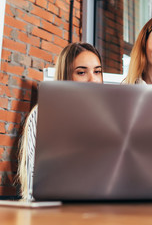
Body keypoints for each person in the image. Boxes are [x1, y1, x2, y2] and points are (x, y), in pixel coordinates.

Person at [17, 42, 103, 201]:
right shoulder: (43, 113)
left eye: (97, 72)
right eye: (82, 72)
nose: (93, 79)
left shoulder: (109, 119)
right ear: (66, 75)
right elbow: (32, 188)